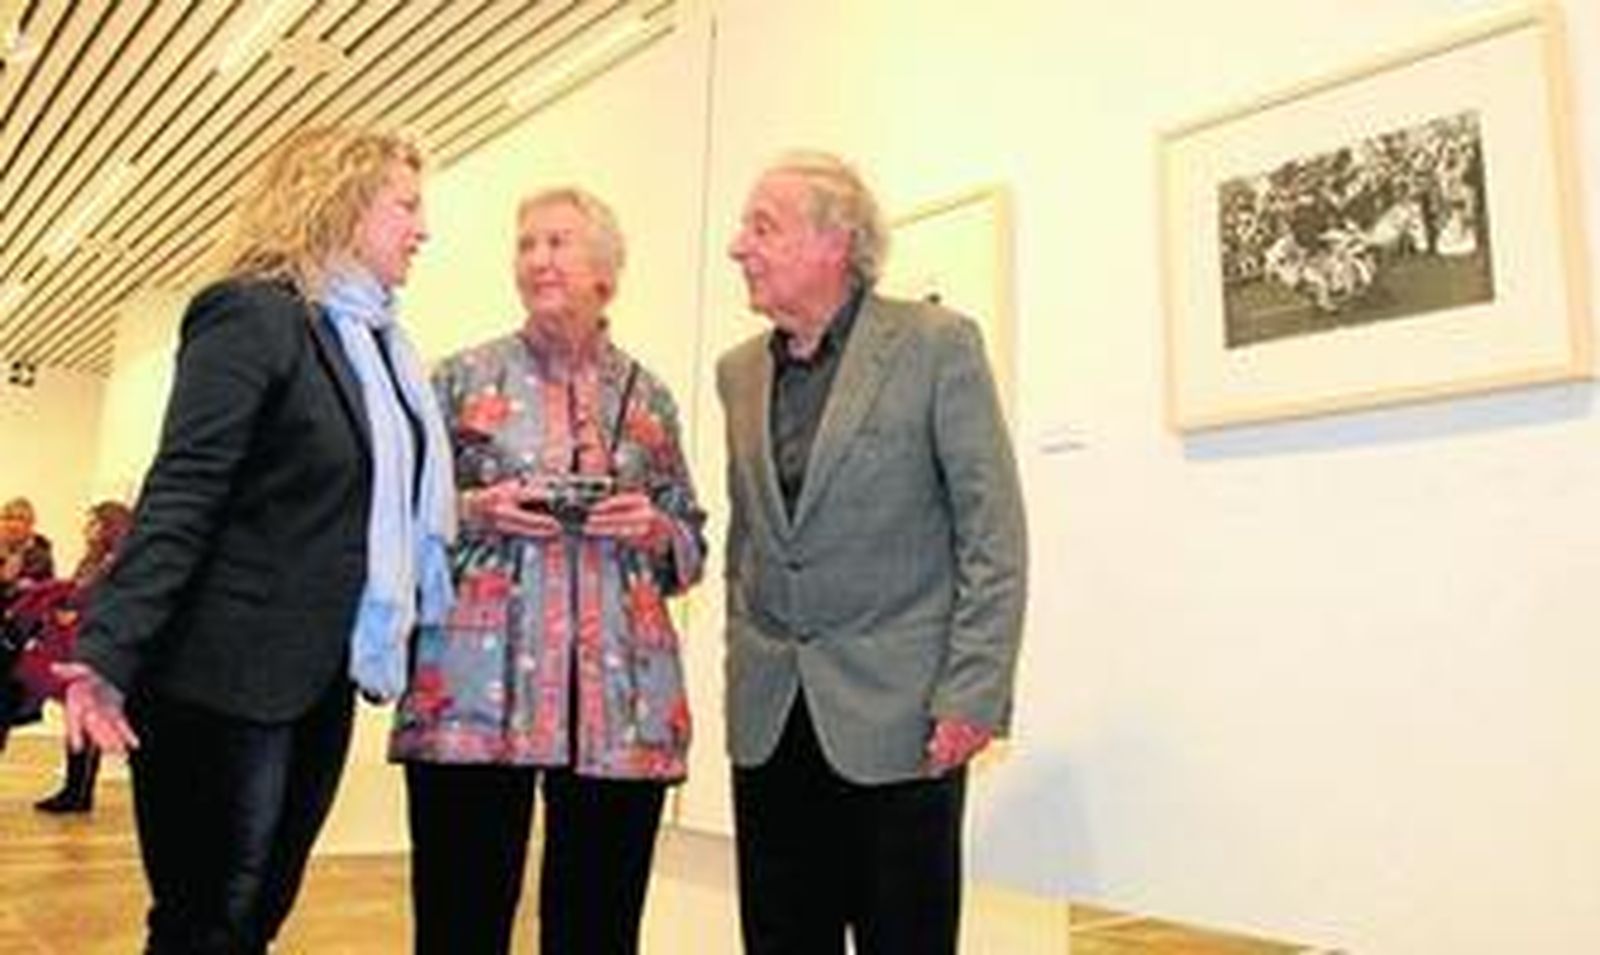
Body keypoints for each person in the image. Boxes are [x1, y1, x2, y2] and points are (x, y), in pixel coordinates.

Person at [58, 124, 452, 955]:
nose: (423, 229)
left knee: (256, 916)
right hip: (219, 682)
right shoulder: (253, 314)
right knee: (210, 923)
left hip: (315, 682)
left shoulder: (375, 350)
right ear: (341, 202)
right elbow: (184, 490)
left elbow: (365, 503)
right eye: (406, 206)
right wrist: (106, 652)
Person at [717, 151, 1028, 955]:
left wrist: (973, 691)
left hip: (903, 721)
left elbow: (991, 533)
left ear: (835, 239)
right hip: (771, 723)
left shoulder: (937, 345)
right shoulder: (739, 372)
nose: (737, 246)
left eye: (762, 226)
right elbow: (750, 544)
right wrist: (739, 667)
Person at [391, 186, 705, 955]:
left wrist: (654, 525)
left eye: (558, 242)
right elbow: (394, 518)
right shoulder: (459, 379)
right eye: (526, 244)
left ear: (607, 268)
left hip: (620, 699)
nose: (537, 259)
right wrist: (476, 509)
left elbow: (692, 538)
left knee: (599, 926)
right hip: (470, 689)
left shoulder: (649, 395)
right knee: (459, 918)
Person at [24, 500, 135, 813]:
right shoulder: (97, 559)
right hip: (86, 642)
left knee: (87, 718)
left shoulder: (114, 560)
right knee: (84, 719)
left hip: (101, 647)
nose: (90, 530)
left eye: (96, 523)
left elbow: (83, 594)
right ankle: (78, 792)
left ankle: (76, 793)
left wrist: (70, 602)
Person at [0, 496, 55, 605]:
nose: (13, 525)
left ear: (30, 525)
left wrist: (6, 582)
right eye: (8, 518)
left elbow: (26, 595)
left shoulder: (40, 558)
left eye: (20, 519)